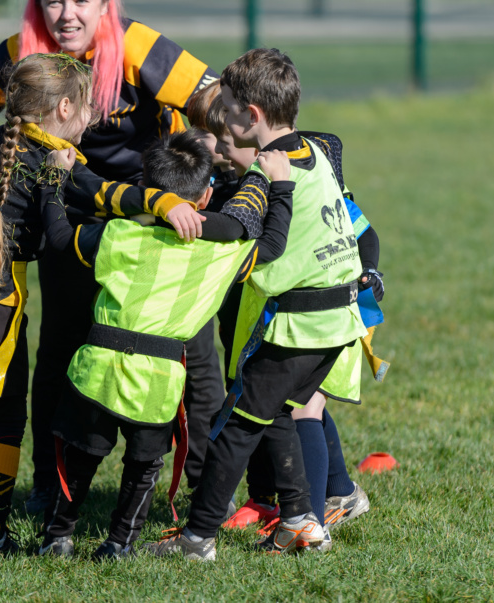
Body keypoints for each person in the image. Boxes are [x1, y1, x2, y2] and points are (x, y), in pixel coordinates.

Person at [0, 53, 205, 556]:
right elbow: (113, 196)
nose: (95, 114)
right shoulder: (60, 165)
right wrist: (165, 202)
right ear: (66, 107)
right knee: (5, 420)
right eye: (91, 105)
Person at [0, 0, 223, 512]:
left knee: (188, 358)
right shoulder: (23, 56)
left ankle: (200, 502)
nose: (67, 15)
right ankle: (50, 487)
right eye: (53, 1)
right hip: (65, 227)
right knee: (62, 353)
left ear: (105, 3)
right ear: (37, 6)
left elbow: (214, 100)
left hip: (155, 226)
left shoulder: (139, 44)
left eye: (80, 1)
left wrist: (234, 148)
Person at [146, 48, 369, 561]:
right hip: (338, 323)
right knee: (279, 415)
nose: (219, 117)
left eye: (224, 107)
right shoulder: (315, 150)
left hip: (300, 326)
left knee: (235, 426)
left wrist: (177, 214)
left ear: (253, 116)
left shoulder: (270, 173)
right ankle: (298, 522)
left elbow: (240, 229)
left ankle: (196, 539)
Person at [37, 130, 294, 560]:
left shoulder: (118, 235)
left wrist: (52, 184)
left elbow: (61, 238)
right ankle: (119, 544)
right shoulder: (219, 254)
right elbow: (271, 244)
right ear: (207, 196)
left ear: (144, 190)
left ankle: (56, 537)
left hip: (96, 370)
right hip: (156, 382)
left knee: (80, 457)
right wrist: (278, 186)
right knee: (143, 468)